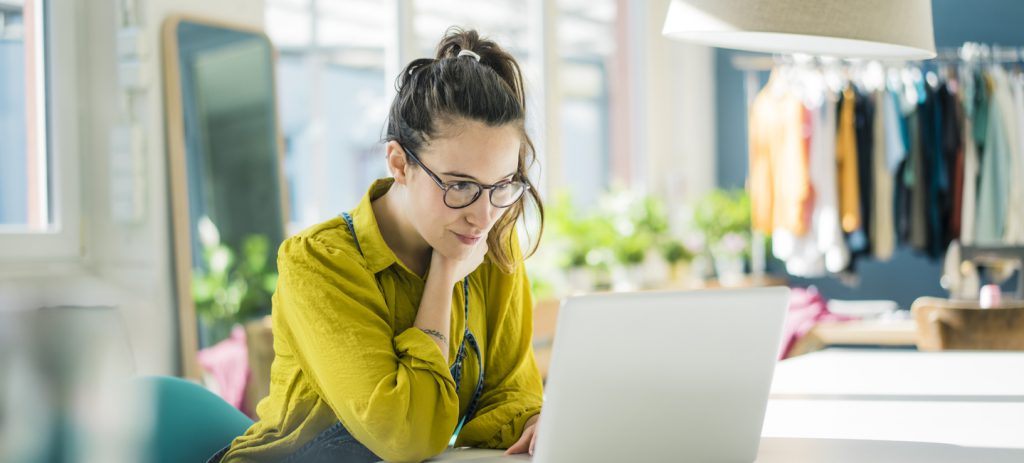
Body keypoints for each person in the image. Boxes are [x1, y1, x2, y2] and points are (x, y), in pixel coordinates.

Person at [209, 27, 546, 463]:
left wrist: (532, 422)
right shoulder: (318, 264)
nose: (483, 216)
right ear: (399, 162)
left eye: (501, 186)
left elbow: (510, 393)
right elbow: (405, 434)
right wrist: (444, 274)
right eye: (460, 186)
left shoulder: (490, 246)